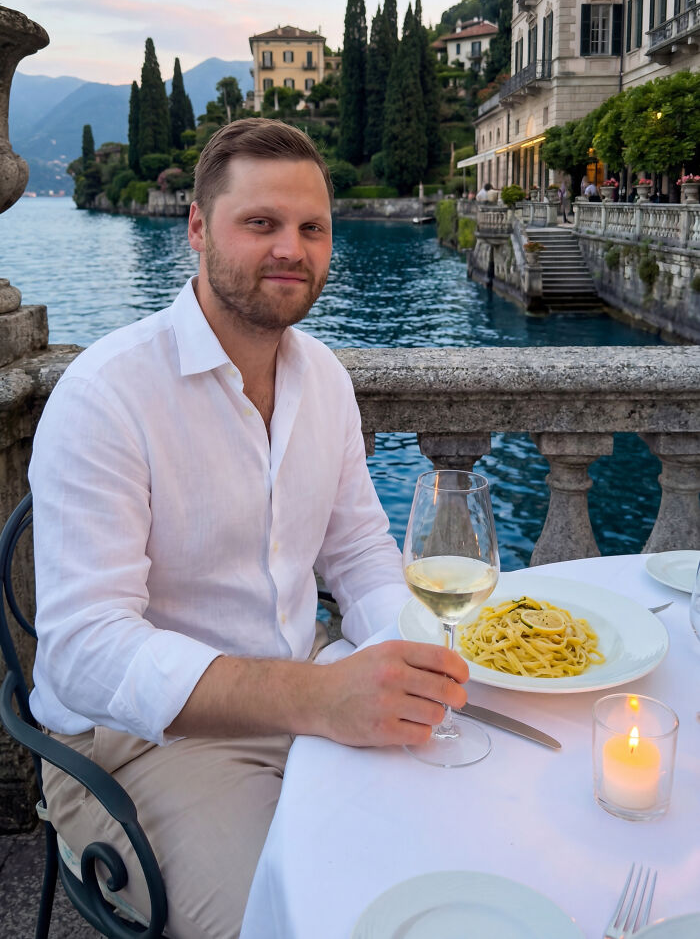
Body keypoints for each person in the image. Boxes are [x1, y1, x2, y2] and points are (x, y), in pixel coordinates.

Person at [28, 119, 468, 939]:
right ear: (198, 227)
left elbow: (359, 551)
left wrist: (411, 655)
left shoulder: (324, 379)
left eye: (312, 228)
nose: (290, 249)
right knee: (300, 924)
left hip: (305, 694)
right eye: (260, 222)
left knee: (456, 859)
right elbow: (85, 651)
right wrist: (319, 697)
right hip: (137, 747)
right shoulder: (106, 396)